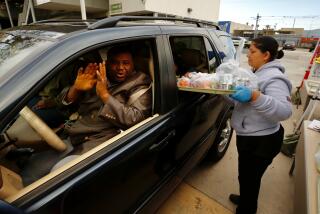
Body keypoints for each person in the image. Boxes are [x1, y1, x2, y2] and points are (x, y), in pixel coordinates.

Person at [228, 36, 292, 214]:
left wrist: (255, 96)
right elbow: (241, 102)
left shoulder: (274, 78)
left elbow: (284, 111)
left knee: (250, 178)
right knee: (246, 176)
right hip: (249, 135)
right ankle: (245, 198)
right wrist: (220, 90)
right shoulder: (256, 73)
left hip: (262, 141)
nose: (248, 56)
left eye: (253, 52)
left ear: (266, 55)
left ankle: (247, 209)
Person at [59, 45, 152, 153]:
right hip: (71, 133)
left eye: (126, 63)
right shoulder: (95, 74)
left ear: (133, 64)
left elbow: (135, 118)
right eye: (115, 63)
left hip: (98, 142)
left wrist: (104, 95)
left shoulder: (140, 82)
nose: (120, 67)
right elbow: (60, 104)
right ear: (107, 63)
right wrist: (76, 89)